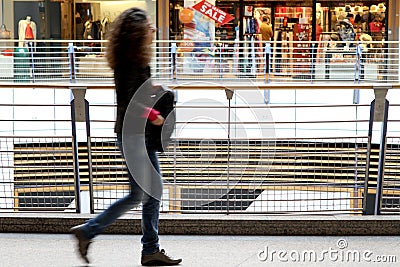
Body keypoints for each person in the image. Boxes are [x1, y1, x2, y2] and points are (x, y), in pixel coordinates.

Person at [70, 7, 182, 266]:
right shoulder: (131, 63)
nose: (154, 29)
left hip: (136, 136)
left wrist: (157, 89)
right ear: (138, 33)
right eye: (149, 26)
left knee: (150, 192)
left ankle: (149, 249)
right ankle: (90, 231)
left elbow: (135, 93)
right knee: (140, 194)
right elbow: (131, 102)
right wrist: (155, 115)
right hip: (134, 137)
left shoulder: (133, 60)